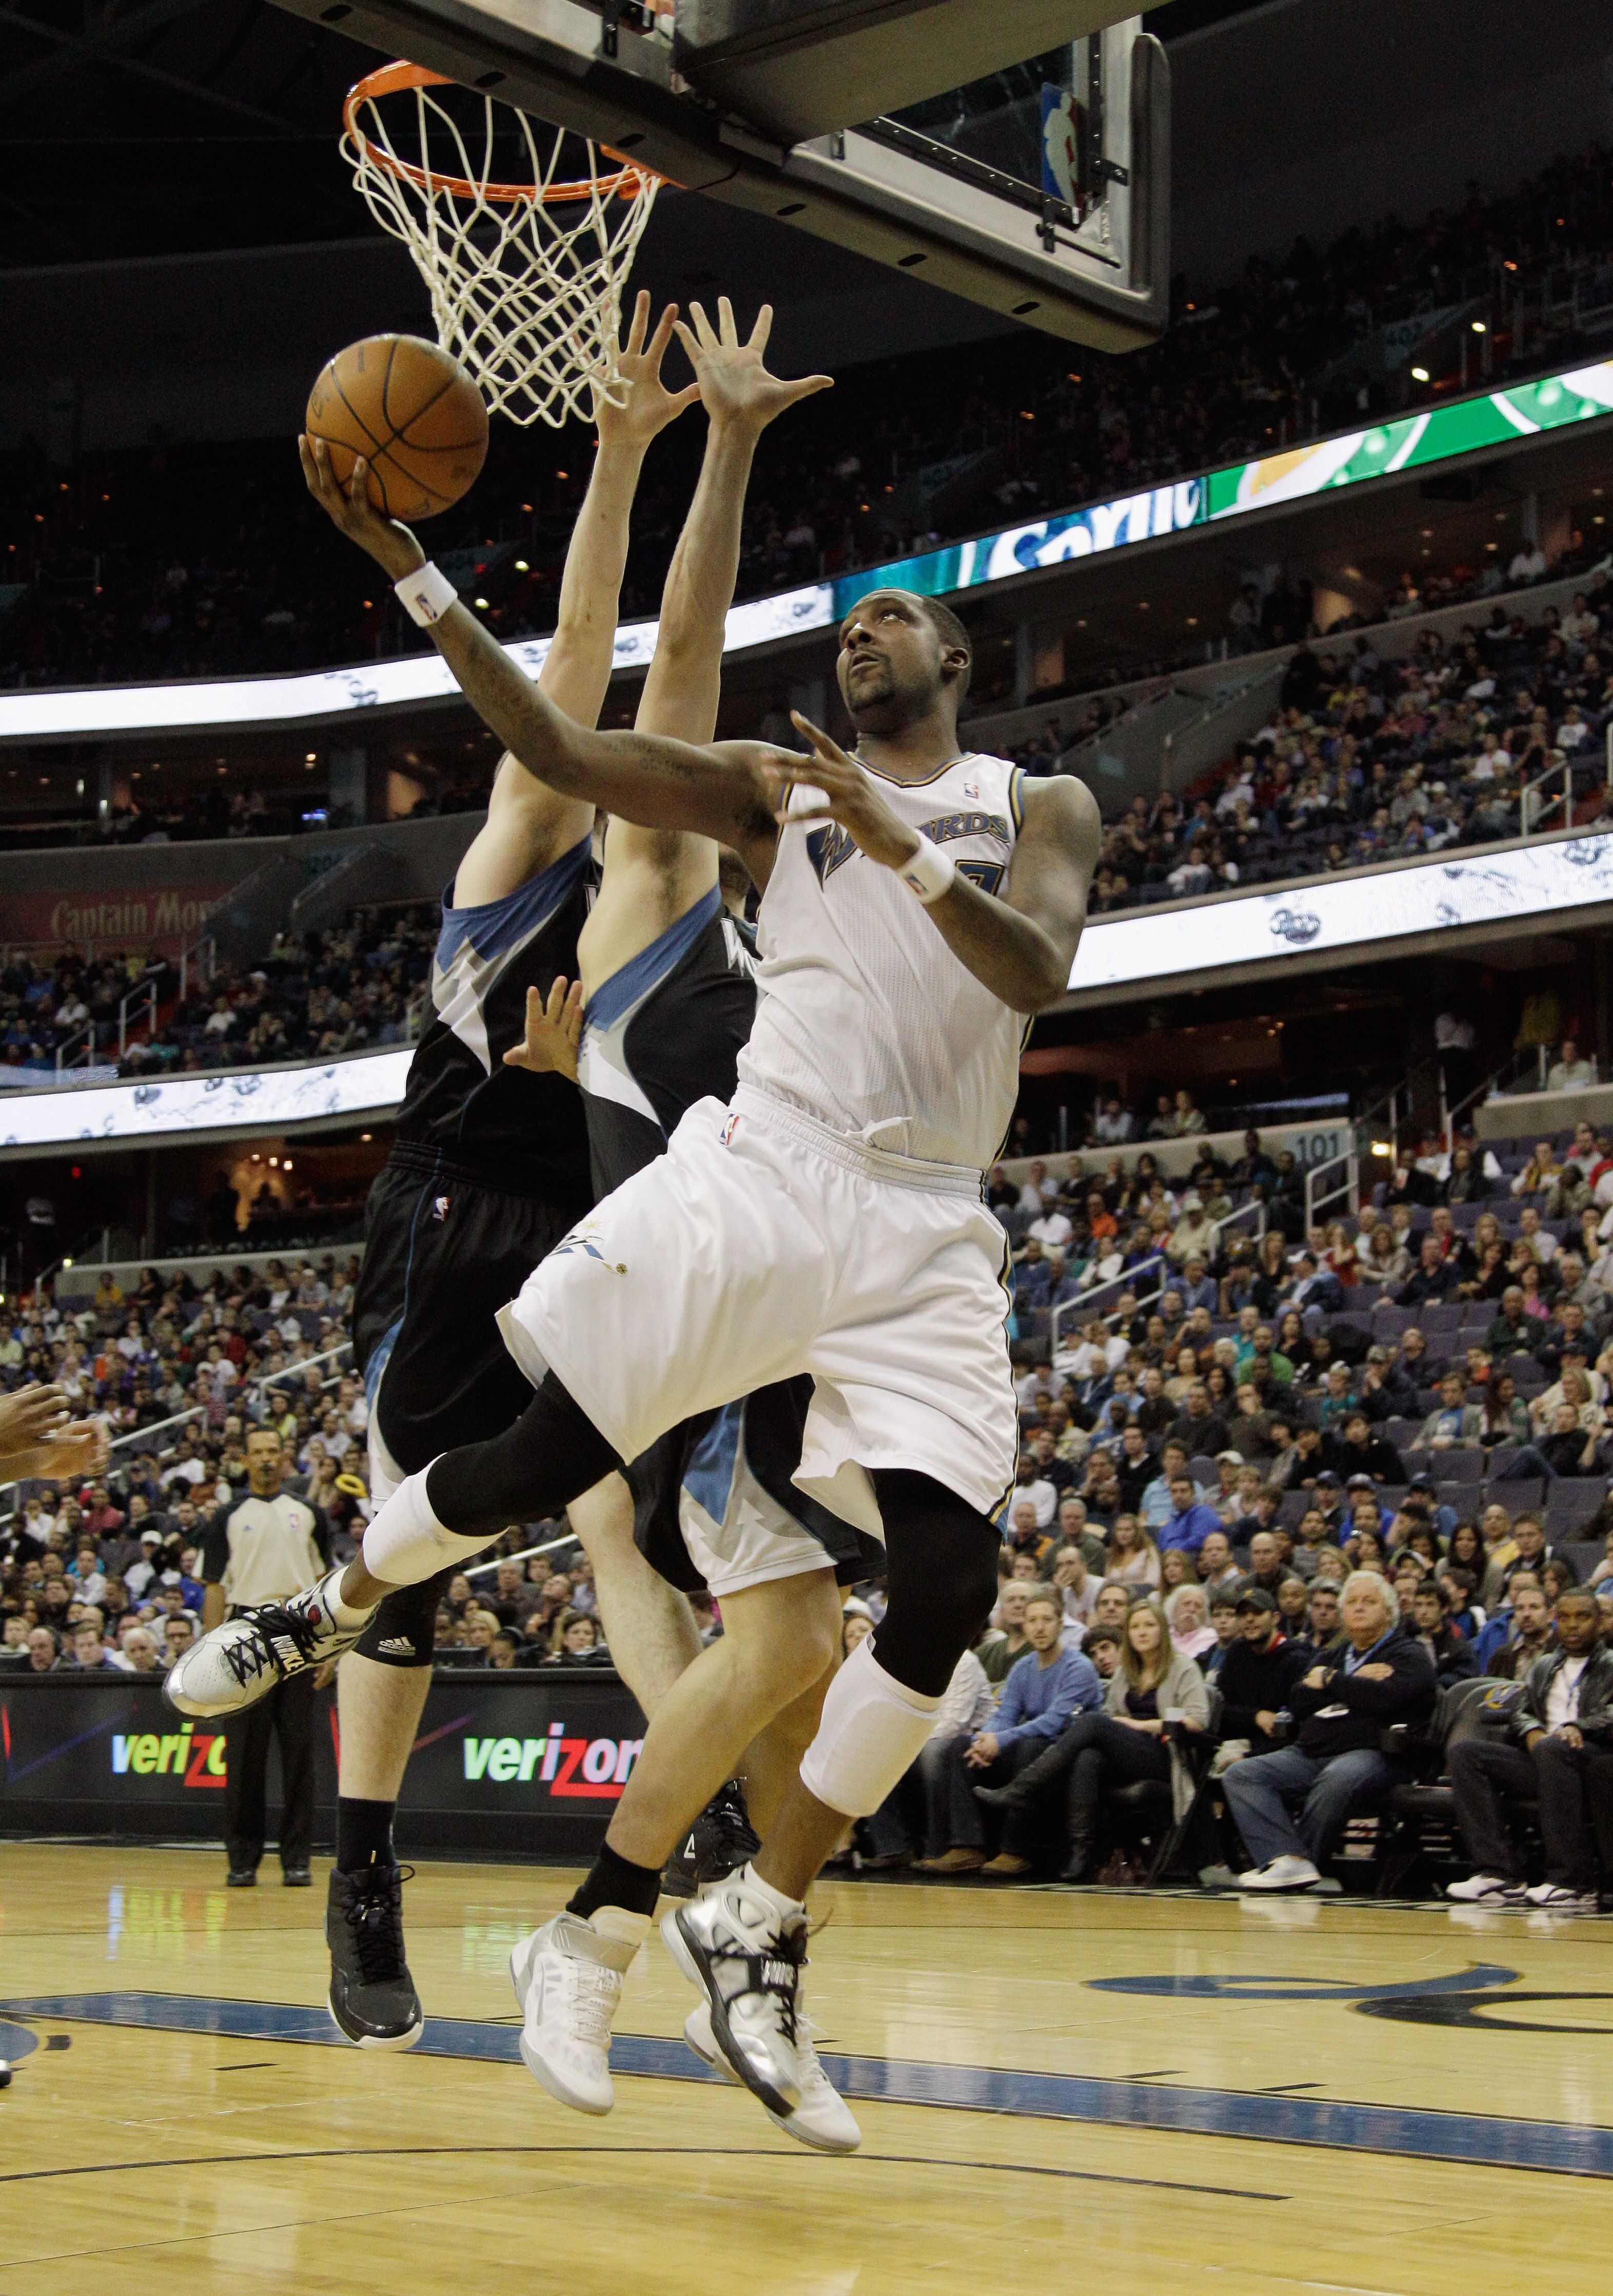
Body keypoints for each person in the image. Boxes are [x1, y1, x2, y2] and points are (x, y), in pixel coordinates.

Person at [169, 424, 1101, 2152]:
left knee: (931, 1591)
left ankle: (730, 1919)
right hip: (756, 1188)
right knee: (563, 1483)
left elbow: (1035, 966)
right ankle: (335, 1619)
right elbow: (572, 731)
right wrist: (416, 563)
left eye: (891, 619)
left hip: (920, 1226)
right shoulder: (744, 814)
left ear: (960, 655)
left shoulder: (1031, 803)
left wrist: (898, 843)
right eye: (843, 627)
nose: (859, 639)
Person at [324, 300, 849, 2049]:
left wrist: (713, 447)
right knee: (410, 1552)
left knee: (621, 1522)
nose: (650, 752)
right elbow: (585, 655)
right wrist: (623, 458)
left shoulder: (665, 869)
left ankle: (675, 1821)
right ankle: (362, 1860)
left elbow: (681, 659)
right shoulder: (531, 834)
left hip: (609, 1208)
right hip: (455, 1202)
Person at [974, 1595, 1210, 1882]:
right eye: (1135, 1627)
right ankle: (1081, 1853)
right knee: (1088, 1758)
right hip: (1126, 1753)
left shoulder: (1182, 1667)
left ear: (1162, 1629)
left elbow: (1197, 1721)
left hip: (1166, 1754)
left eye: (1150, 1625)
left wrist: (1141, 1726)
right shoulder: (1126, 1671)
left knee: (1092, 1722)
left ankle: (1021, 1789)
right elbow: (1111, 1715)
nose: (1142, 1632)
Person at [1223, 1573, 1435, 1891]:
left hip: (1377, 1756)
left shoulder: (1408, 1654)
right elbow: (1299, 1699)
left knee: (1338, 1777)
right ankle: (1286, 1858)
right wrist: (1354, 1682)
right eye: (1352, 1602)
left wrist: (1331, 1681)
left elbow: (1385, 1698)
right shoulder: (1332, 1655)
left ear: (1389, 1611)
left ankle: (1300, 1862)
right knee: (1242, 1774)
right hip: (1310, 1752)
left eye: (1369, 1602)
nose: (1359, 1608)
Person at [196, 1426, 330, 1889]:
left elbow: (325, 1583)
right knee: (243, 1758)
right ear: (246, 1460)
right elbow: (214, 1587)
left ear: (284, 1457)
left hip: (298, 1630)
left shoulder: (309, 1513)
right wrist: (213, 1653)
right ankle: (242, 1860)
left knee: (299, 1756)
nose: (267, 1459)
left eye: (274, 1451)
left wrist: (330, 1647)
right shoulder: (227, 1516)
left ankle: (297, 1860)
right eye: (258, 1453)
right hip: (245, 1634)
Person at [1447, 1589, 1612, 1909]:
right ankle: (1500, 1872)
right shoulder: (1545, 1665)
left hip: (1590, 1757)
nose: (1572, 1625)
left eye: (1582, 1617)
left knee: (1554, 1748)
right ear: (1555, 1620)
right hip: (1545, 1758)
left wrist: (1579, 1726)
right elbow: (1521, 1711)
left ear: (1600, 1622)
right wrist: (1531, 1729)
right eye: (1565, 1617)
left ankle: (1571, 1880)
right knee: (1466, 1754)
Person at [920, 1588, 1101, 1876]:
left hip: (1066, 1754)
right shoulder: (1022, 1667)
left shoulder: (1079, 1668)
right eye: (1033, 1621)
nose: (1040, 1628)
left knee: (1031, 1746)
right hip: (1028, 1744)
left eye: (1047, 1620)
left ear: (1060, 1625)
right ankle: (968, 1846)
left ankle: (1015, 1851)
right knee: (961, 1746)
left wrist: (999, 1740)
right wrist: (983, 1741)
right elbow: (1005, 1716)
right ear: (1024, 1626)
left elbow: (1053, 1722)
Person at [1215, 1588, 1311, 1755]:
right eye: (1243, 1614)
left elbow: (1297, 1723)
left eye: (1258, 1613)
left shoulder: (1297, 1658)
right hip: (1236, 1742)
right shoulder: (1237, 1651)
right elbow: (1222, 1708)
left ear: (1276, 1618)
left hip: (1282, 1750)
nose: (1250, 1619)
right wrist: (1256, 1716)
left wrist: (1248, 1756)